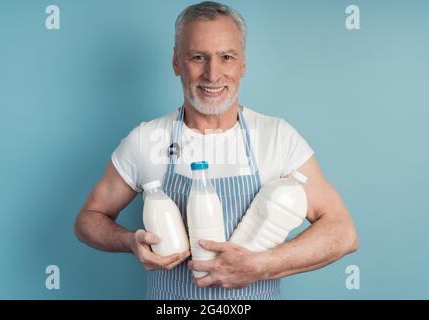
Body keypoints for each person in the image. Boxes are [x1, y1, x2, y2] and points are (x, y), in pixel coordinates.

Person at [74, 1, 358, 300]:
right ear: (176, 62)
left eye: (226, 57)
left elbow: (342, 233)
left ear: (242, 64)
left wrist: (261, 266)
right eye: (198, 57)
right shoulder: (147, 140)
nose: (212, 74)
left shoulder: (276, 138)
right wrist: (129, 241)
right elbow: (88, 220)